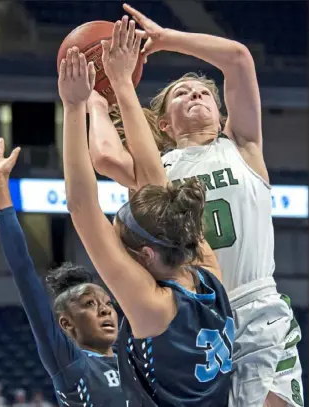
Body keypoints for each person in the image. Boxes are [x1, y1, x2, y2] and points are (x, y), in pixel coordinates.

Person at [88, 5, 304, 407]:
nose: (196, 94)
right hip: (199, 312)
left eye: (205, 92)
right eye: (182, 93)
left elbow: (238, 59)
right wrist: (95, 100)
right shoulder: (158, 168)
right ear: (165, 123)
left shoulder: (242, 145)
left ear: (221, 113)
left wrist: (168, 40)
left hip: (259, 306)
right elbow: (103, 157)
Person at [58, 25, 234, 406]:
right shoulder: (207, 276)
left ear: (145, 256)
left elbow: (83, 208)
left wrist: (74, 108)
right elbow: (154, 181)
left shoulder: (153, 306)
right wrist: (120, 83)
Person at [0, 137, 129, 407]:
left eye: (107, 303)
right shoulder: (71, 363)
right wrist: (0, 186)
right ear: (66, 324)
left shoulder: (134, 361)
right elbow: (23, 271)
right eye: (90, 305)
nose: (106, 311)